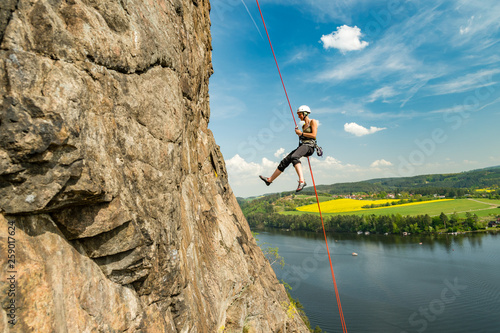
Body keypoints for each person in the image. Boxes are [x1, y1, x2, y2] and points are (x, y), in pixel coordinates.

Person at [259, 105, 318, 192]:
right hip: (304, 146)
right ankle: (269, 180)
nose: (298, 116)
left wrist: (301, 134)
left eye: (299, 114)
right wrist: (300, 135)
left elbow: (313, 135)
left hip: (310, 146)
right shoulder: (303, 126)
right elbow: (303, 138)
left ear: (305, 113)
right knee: (285, 160)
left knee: (294, 157)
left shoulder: (313, 122)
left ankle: (302, 181)